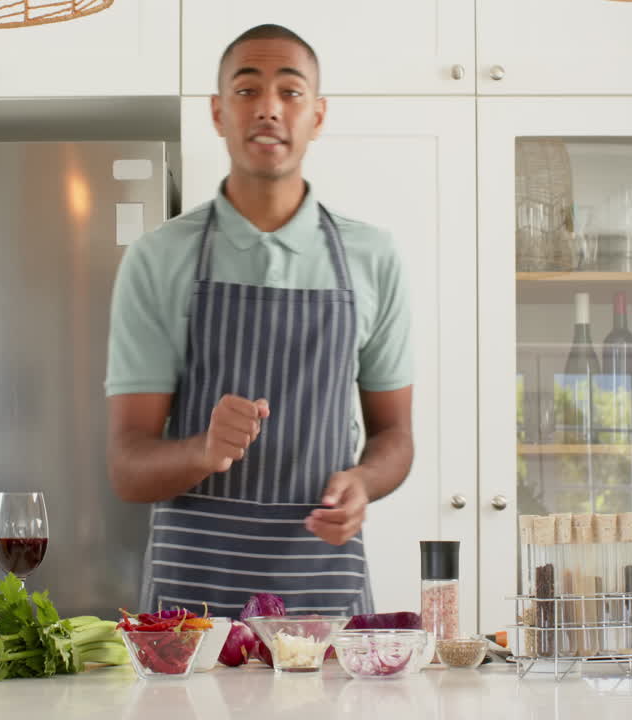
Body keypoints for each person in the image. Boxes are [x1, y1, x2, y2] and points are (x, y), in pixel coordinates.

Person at [105, 24, 413, 615]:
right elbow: (126, 467)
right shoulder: (160, 258)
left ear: (317, 116)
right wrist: (201, 450)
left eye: (290, 92)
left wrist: (365, 482)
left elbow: (395, 436)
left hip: (324, 600)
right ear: (218, 113)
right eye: (247, 91)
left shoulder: (373, 257)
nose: (269, 108)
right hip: (190, 615)